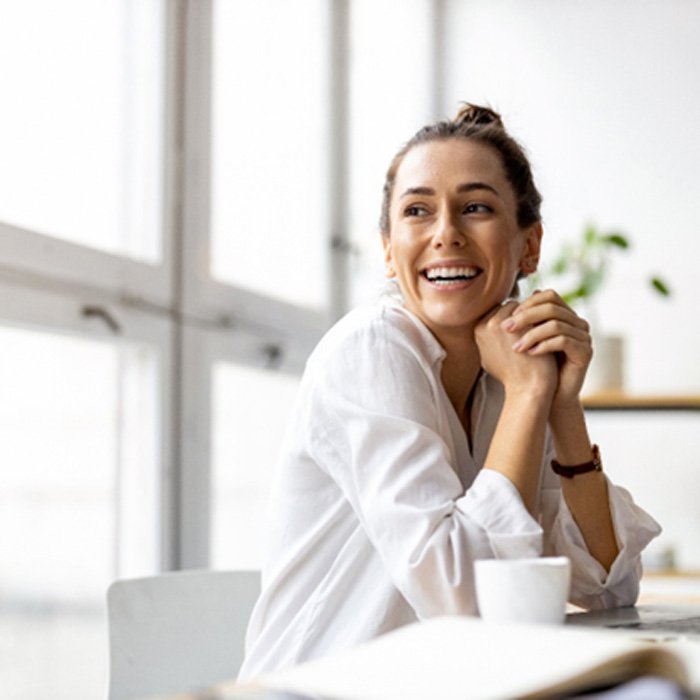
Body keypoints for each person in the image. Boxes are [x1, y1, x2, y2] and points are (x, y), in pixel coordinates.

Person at [238, 104, 661, 679]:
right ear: (389, 249)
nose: (445, 234)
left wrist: (560, 405)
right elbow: (463, 599)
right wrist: (529, 398)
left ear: (529, 246)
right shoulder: (371, 350)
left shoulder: (507, 376)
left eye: (476, 208)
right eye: (417, 211)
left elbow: (610, 588)